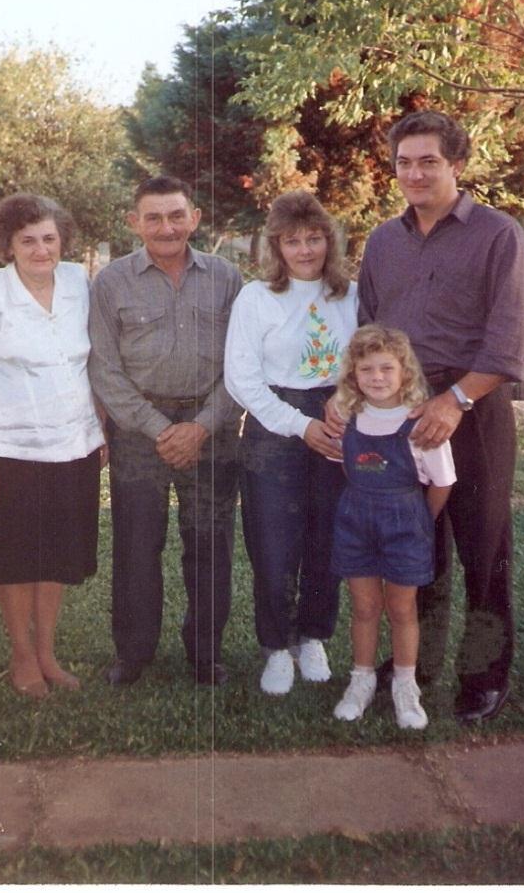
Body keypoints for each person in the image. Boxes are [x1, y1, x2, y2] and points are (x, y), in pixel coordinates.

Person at [328, 110, 524, 722]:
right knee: (414, 540)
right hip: (397, 416)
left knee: (483, 548)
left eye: (428, 161)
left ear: (456, 164)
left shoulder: (499, 235)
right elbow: (369, 331)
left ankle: (482, 678)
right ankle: (412, 670)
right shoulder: (385, 241)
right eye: (404, 162)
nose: (414, 173)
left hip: (472, 411)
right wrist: (357, 397)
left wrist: (455, 400)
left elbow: (512, 341)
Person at [88, 175, 242, 687]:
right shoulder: (110, 283)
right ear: (134, 224)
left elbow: (242, 367)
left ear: (194, 218)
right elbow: (105, 370)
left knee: (210, 543)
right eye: (152, 217)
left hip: (212, 429)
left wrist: (199, 426)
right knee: (136, 545)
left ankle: (206, 653)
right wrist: (160, 429)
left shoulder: (227, 278)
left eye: (176, 215)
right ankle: (133, 654)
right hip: (139, 433)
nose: (166, 226)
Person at [0, 193, 106, 699]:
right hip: (9, 449)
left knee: (56, 556)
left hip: (74, 444)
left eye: (49, 238)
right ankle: (21, 655)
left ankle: (47, 655)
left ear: (62, 240)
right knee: (14, 557)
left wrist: (98, 429)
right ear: (7, 245)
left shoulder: (81, 285)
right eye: (28, 240)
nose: (41, 250)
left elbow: (92, 363)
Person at [224, 191, 357, 695]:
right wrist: (300, 425)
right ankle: (277, 647)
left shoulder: (351, 294)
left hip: (338, 419)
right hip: (275, 426)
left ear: (329, 240)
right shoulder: (257, 298)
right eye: (293, 241)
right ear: (275, 246)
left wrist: (344, 401)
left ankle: (314, 636)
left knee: (327, 538)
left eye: (315, 238)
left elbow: (366, 357)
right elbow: (242, 379)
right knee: (274, 544)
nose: (305, 251)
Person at [331, 325, 456, 729]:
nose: (377, 378)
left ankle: (406, 685)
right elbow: (343, 464)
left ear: (405, 372)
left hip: (405, 525)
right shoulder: (350, 418)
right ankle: (361, 680)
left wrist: (420, 521)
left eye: (387, 368)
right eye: (366, 370)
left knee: (402, 608)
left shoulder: (420, 422)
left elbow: (443, 481)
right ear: (353, 376)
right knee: (365, 606)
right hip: (356, 523)